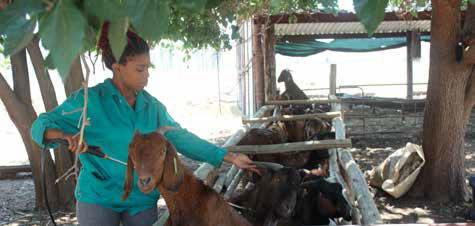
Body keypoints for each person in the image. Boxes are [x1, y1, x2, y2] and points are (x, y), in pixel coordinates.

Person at [30, 22, 258, 226]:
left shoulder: (152, 107)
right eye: (140, 69)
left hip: (140, 198)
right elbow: (40, 125)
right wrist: (63, 135)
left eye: (148, 68)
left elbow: (180, 137)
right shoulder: (89, 101)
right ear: (117, 68)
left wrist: (228, 157)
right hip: (98, 196)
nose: (146, 75)